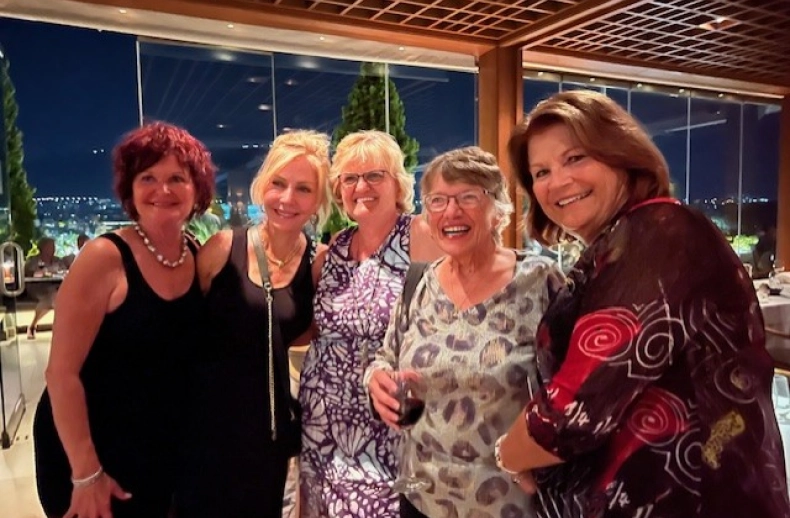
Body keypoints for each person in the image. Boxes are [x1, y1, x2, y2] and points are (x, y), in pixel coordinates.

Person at [496, 90, 790, 517]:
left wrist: (509, 453)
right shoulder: (614, 245)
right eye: (541, 171)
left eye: (575, 158)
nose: (557, 182)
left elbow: (574, 411)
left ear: (620, 153)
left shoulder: (660, 233)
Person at [365, 146, 563, 518]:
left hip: (507, 504)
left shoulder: (539, 281)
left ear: (497, 209)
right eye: (437, 201)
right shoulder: (420, 282)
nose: (451, 212)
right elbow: (385, 357)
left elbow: (573, 389)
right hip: (421, 497)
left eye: (468, 197)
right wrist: (375, 379)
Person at [33, 121, 216, 518]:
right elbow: (60, 375)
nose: (162, 190)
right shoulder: (104, 257)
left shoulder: (198, 253)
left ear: (197, 189)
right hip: (88, 448)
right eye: (147, 176)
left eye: (177, 178)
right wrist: (86, 474)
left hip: (154, 447)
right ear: (130, 189)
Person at [175, 130, 333, 518]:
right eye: (278, 183)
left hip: (268, 436)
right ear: (263, 186)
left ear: (318, 201)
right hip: (206, 430)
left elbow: (297, 330)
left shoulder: (318, 262)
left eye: (303, 189)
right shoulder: (222, 249)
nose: (287, 199)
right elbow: (182, 334)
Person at [299, 130, 443, 517]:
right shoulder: (331, 252)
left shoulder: (421, 237)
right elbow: (305, 327)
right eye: (349, 178)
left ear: (397, 183)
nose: (361, 186)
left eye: (374, 176)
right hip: (322, 426)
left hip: (387, 425)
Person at [24, 237, 67, 339]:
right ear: (42, 248)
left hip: (55, 288)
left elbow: (64, 272)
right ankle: (61, 328)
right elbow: (28, 273)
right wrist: (40, 273)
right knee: (55, 297)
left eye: (53, 246)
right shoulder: (34, 260)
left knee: (54, 297)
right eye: (50, 246)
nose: (53, 249)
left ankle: (33, 325)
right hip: (37, 288)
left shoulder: (58, 261)